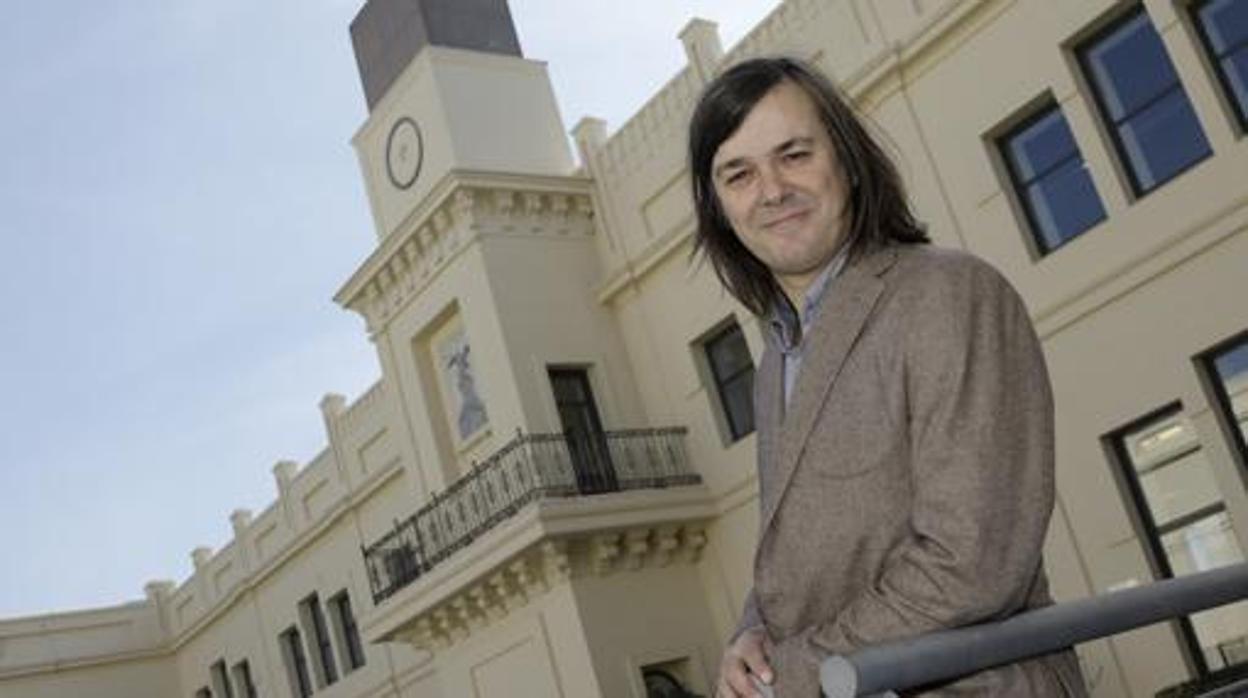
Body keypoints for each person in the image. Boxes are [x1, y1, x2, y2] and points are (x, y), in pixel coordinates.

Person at [688, 57, 1087, 697]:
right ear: (719, 207)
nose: (771, 190)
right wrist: (752, 637)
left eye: (794, 155)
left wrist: (793, 673)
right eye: (739, 174)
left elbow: (973, 560)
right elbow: (803, 549)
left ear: (845, 160)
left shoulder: (949, 294)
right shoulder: (776, 363)